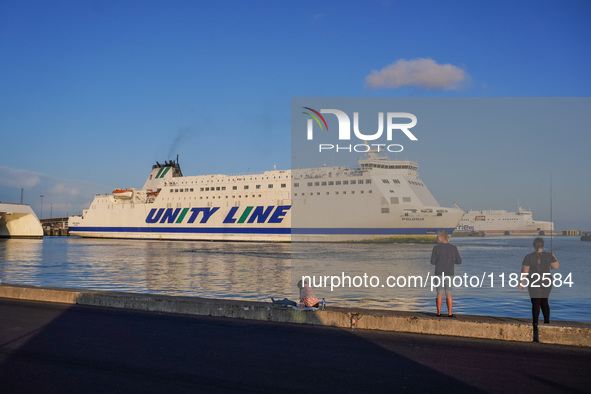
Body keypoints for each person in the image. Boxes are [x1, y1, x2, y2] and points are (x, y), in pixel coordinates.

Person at [519, 237, 559, 342]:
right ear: (542, 245)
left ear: (534, 245)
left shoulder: (528, 257)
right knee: (544, 301)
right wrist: (554, 257)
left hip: (534, 281)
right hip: (547, 281)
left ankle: (535, 324)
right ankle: (546, 322)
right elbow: (556, 267)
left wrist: (521, 282)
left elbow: (525, 271)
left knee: (536, 303)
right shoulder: (549, 255)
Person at [430, 230, 462, 317]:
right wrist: (451, 261)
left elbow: (432, 262)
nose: (437, 238)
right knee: (449, 293)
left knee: (439, 293)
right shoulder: (453, 248)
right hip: (449, 273)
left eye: (437, 237)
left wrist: (439, 261)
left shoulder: (436, 248)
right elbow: (459, 261)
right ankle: (450, 313)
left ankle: (439, 313)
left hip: (439, 273)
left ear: (441, 237)